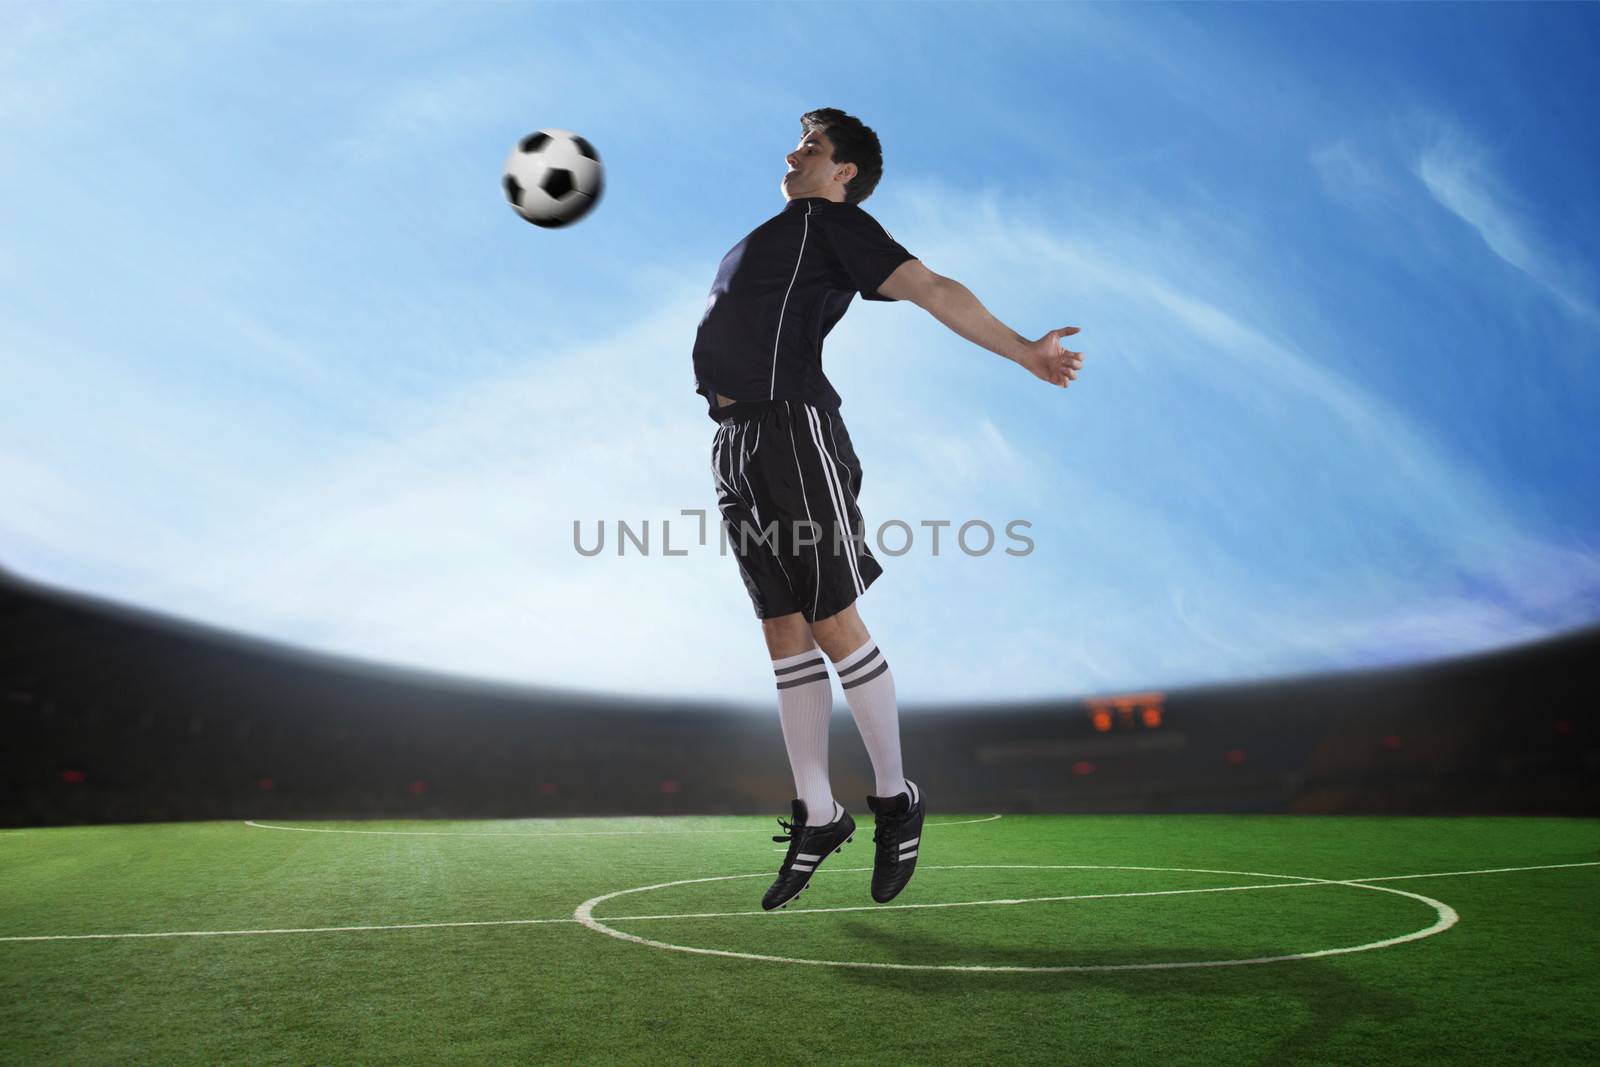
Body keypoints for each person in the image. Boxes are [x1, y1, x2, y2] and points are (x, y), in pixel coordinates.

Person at [691, 107, 1084, 911]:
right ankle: (819, 810)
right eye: (800, 140)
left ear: (846, 177)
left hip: (792, 430)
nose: (797, 151)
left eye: (816, 146)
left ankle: (896, 797)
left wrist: (1025, 351)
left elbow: (931, 287)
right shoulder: (777, 232)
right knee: (782, 627)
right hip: (734, 439)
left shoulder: (834, 225)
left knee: (834, 620)